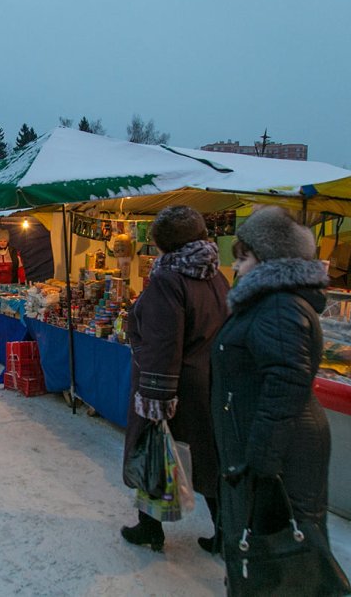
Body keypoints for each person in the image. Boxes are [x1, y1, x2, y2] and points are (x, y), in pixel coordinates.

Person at [210, 207, 345, 589]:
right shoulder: (266, 302)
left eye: (244, 257)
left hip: (279, 450)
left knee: (284, 546)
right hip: (264, 442)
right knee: (266, 543)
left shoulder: (279, 305)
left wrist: (261, 462)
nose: (236, 268)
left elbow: (286, 382)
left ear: (270, 259)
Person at [120, 205, 229, 552]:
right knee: (207, 460)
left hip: (171, 384)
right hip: (207, 380)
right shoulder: (216, 274)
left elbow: (163, 343)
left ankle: (150, 528)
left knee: (154, 449)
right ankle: (225, 533)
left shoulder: (170, 280)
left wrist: (154, 398)